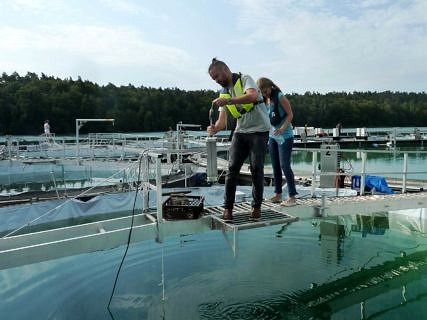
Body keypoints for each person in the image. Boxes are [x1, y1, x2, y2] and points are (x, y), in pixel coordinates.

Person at [207, 58, 270, 221]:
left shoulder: (245, 79)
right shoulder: (223, 92)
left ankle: (256, 206)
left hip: (259, 130)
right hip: (240, 131)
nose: (217, 80)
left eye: (217, 76)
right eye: (213, 79)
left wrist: (228, 100)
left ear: (225, 70)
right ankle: (228, 208)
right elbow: (222, 121)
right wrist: (215, 128)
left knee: (256, 168)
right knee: (232, 168)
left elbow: (252, 96)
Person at [256, 77, 298, 206]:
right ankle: (278, 194)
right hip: (272, 137)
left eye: (266, 91)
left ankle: (292, 196)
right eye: (262, 92)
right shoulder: (265, 100)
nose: (265, 94)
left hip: (285, 136)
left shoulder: (279, 96)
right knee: (275, 166)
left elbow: (290, 114)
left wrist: (282, 129)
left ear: (270, 86)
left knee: (285, 165)